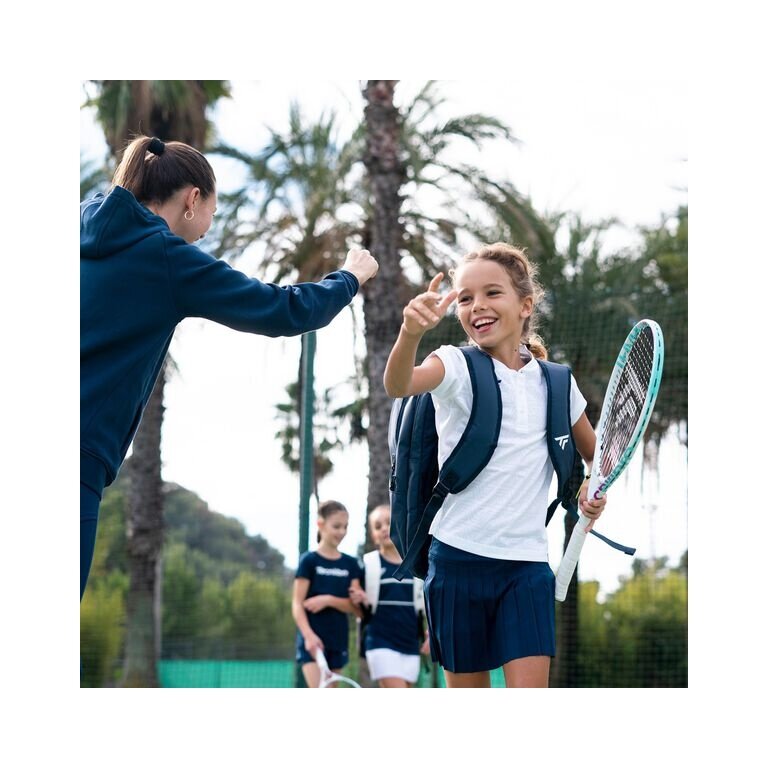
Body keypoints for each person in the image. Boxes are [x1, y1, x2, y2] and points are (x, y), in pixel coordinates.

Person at [80, 135, 378, 600]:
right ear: (192, 199)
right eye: (212, 214)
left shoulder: (80, 225)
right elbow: (281, 310)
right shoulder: (166, 257)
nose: (207, 229)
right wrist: (350, 277)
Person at [382, 242, 606, 688]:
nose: (477, 306)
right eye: (465, 298)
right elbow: (399, 383)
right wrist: (410, 332)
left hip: (526, 568)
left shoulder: (558, 383)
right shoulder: (453, 365)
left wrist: (591, 487)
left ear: (526, 305)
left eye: (492, 293)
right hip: (455, 563)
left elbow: (596, 456)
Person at [349, 505, 430, 688]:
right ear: (373, 535)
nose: (384, 528)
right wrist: (359, 600)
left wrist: (431, 634)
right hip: (380, 643)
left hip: (410, 645)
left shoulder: (416, 565)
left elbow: (427, 605)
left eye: (389, 522)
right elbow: (356, 605)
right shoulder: (368, 565)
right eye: (378, 526)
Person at [292, 500, 363, 688]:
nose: (342, 532)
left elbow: (355, 608)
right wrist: (309, 636)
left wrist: (328, 600)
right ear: (320, 524)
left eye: (345, 527)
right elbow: (297, 604)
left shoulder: (351, 564)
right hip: (313, 642)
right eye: (336, 526)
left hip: (338, 641)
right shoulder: (308, 561)